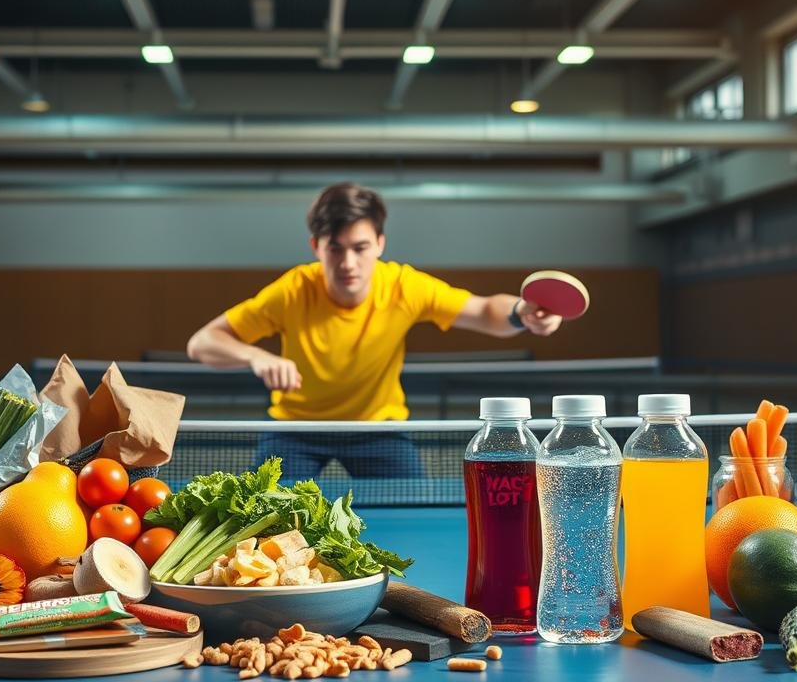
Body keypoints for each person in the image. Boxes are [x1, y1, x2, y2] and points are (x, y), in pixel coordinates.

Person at [185, 182, 564, 479]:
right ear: (316, 246)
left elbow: (483, 310)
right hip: (294, 429)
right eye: (335, 248)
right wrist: (256, 355)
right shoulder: (292, 290)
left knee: (418, 513)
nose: (348, 262)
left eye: (360, 247)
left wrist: (520, 312)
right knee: (260, 525)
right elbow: (201, 343)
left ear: (380, 244)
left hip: (378, 429)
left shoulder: (403, 286)